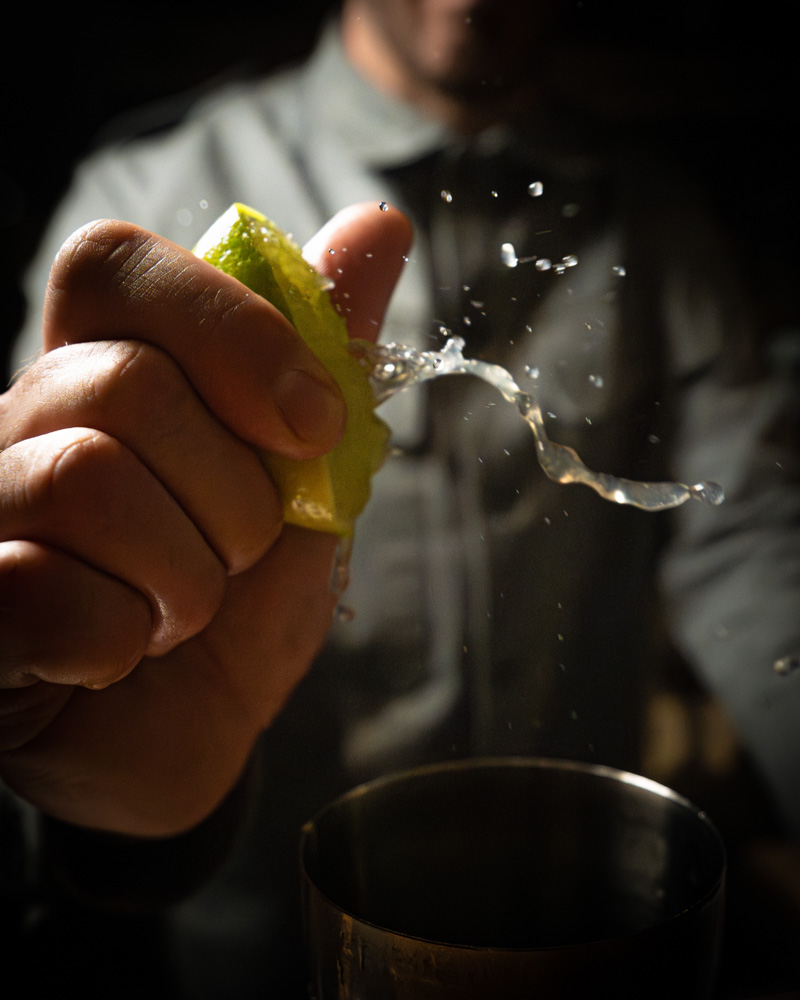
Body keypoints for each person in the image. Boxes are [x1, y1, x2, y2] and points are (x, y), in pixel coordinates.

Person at [2, 0, 799, 995]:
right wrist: (102, 804)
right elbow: (43, 640)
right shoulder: (152, 188)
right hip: (265, 954)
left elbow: (755, 539)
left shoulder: (655, 221)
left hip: (574, 932)